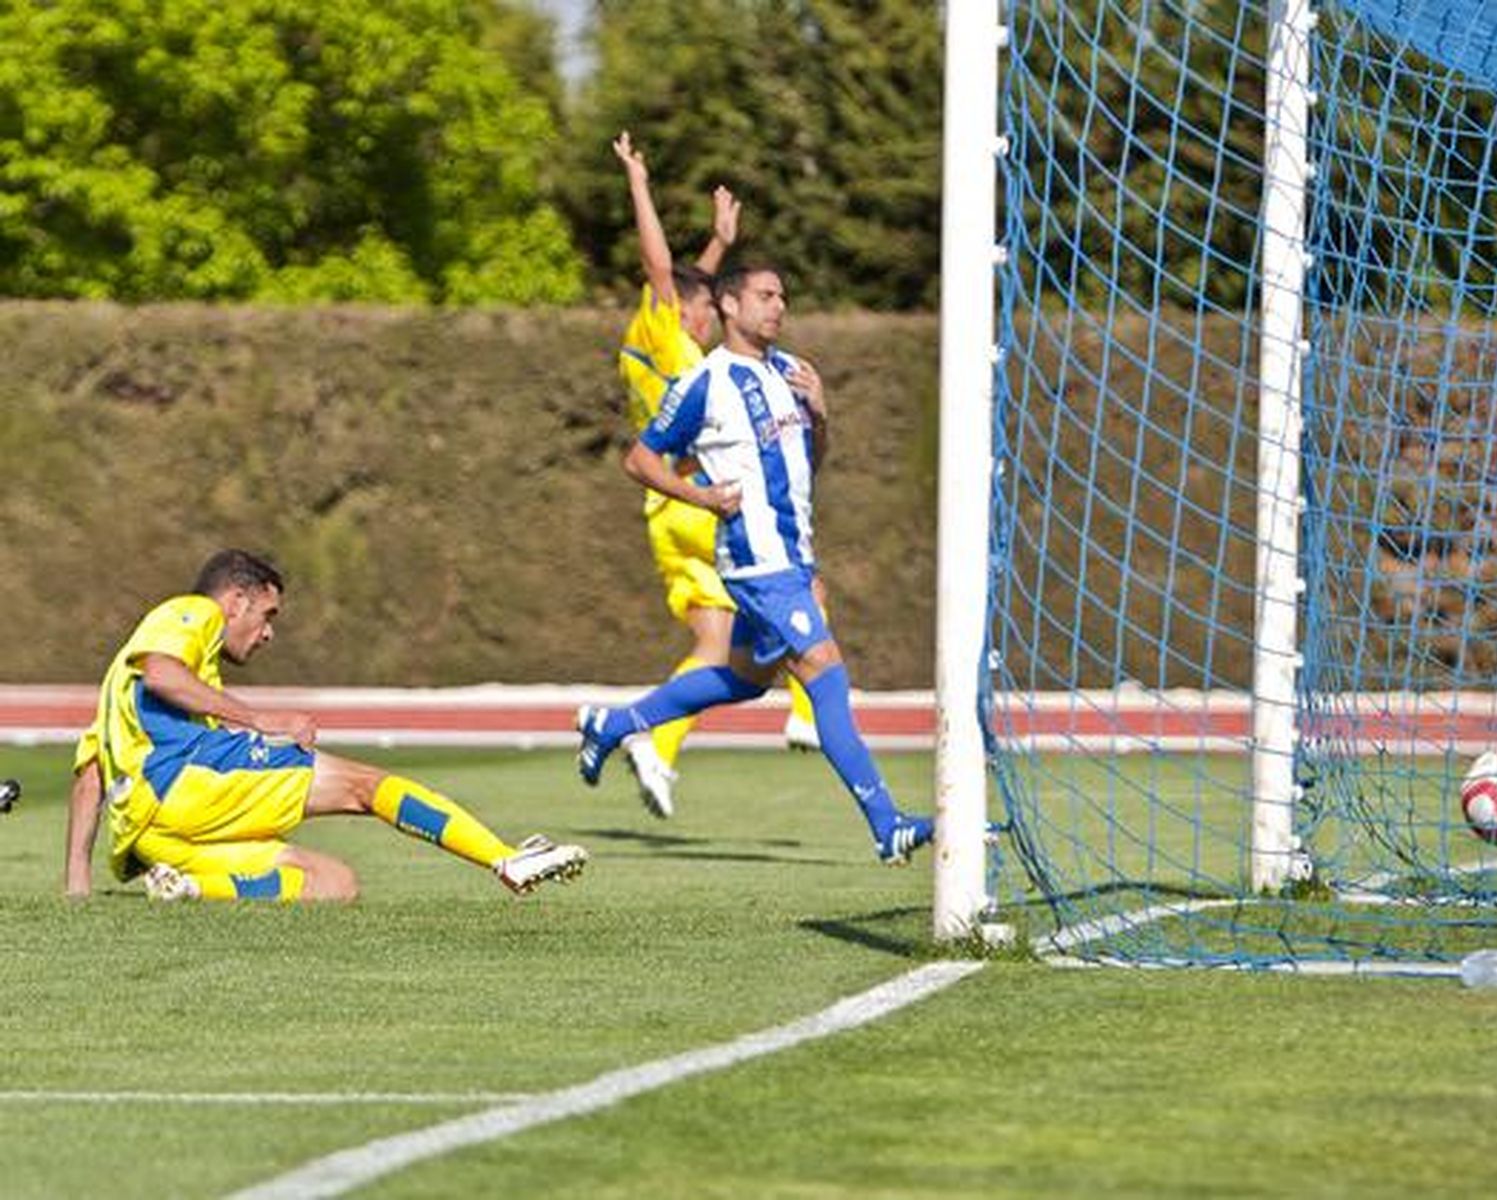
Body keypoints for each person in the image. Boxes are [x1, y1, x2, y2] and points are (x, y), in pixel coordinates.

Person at [577, 264, 935, 865]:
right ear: (730, 305)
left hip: (792, 556)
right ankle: (887, 823)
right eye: (766, 296)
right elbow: (640, 460)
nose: (779, 306)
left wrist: (820, 413)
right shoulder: (705, 381)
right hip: (755, 562)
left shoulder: (789, 372)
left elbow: (810, 464)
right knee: (826, 673)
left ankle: (614, 725)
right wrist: (703, 498)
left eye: (783, 296)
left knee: (743, 680)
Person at [64, 550, 587, 901]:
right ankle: (504, 860)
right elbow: (162, 673)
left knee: (333, 884)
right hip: (186, 789)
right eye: (267, 615)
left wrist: (77, 884)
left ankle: (191, 889)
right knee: (366, 787)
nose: (267, 633)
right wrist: (260, 719)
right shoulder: (192, 612)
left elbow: (90, 772)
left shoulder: (117, 684)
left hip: (158, 842)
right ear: (237, 600)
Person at [612, 131, 821, 822]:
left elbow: (695, 286)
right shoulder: (664, 329)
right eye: (701, 305)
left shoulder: (675, 348)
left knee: (714, 644)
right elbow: (665, 272)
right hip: (697, 501)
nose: (706, 313)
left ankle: (653, 740)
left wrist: (720, 241)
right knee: (801, 576)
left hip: (664, 514)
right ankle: (808, 711)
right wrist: (639, 182)